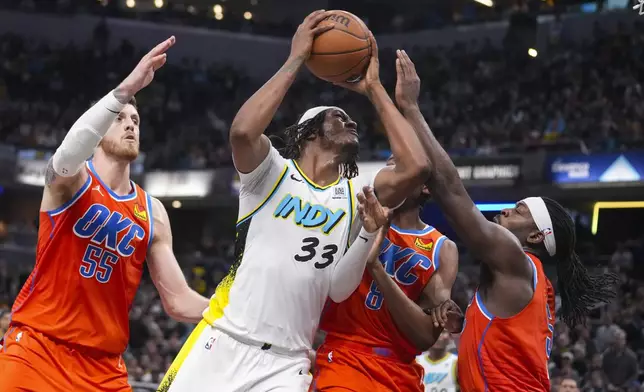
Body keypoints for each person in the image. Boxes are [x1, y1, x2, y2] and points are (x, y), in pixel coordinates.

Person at [159, 10, 430, 392]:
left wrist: (374, 89)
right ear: (308, 131)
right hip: (223, 340)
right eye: (340, 116)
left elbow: (416, 167)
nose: (352, 123)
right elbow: (241, 132)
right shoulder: (271, 171)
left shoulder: (357, 195)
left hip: (288, 363)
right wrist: (296, 58)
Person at [393, 50, 618, 392]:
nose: (509, 211)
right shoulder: (530, 280)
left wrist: (411, 109)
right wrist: (466, 323)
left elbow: (453, 193)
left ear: (536, 236)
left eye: (521, 211)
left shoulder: (516, 260)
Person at [0, 37, 210, 392]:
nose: (130, 125)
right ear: (98, 133)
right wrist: (126, 89)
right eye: (120, 118)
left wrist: (235, 311)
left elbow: (177, 300)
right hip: (38, 350)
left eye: (136, 120)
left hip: (103, 368)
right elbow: (67, 153)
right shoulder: (71, 180)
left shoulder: (152, 211)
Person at [311, 153, 460, 392]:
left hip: (400, 370)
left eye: (402, 170)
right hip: (345, 356)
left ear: (425, 188)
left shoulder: (442, 248)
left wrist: (377, 269)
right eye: (388, 171)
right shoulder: (353, 216)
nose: (391, 179)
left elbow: (425, 336)